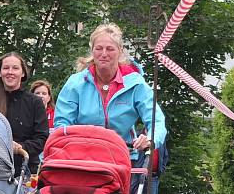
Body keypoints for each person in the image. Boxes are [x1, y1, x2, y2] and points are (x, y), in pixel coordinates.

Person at [53, 22, 166, 159]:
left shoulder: (135, 84)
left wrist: (150, 139)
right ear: (92, 50)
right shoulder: (75, 83)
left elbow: (156, 120)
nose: (104, 54)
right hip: (81, 156)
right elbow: (62, 124)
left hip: (123, 155)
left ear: (120, 50)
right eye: (99, 48)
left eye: (110, 49)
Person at [0, 52, 48, 175]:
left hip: (25, 170)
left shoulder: (34, 102)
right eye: (6, 68)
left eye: (15, 68)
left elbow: (41, 139)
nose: (10, 72)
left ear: (23, 73)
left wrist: (19, 147)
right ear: (0, 72)